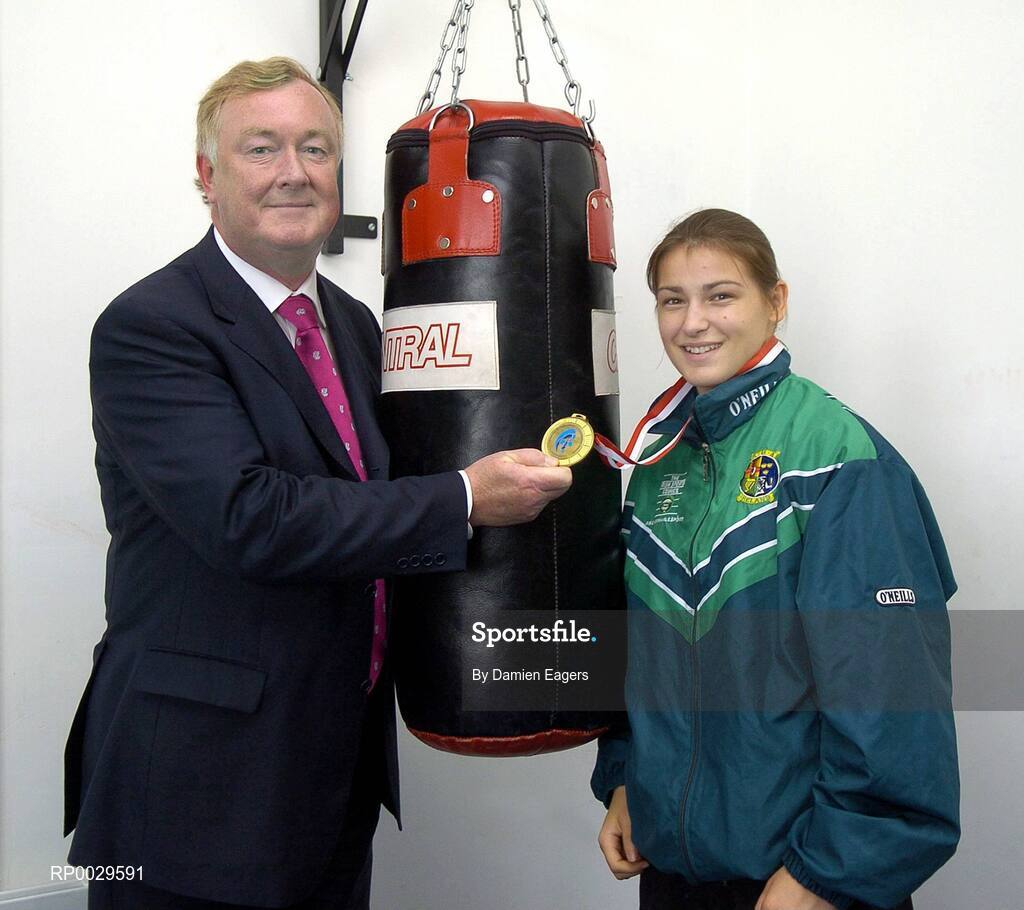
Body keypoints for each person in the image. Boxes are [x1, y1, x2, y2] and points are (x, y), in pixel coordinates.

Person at [63, 56, 571, 910]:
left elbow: (380, 503)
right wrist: (466, 495)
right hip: (198, 785)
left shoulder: (356, 325)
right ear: (207, 175)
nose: (293, 172)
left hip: (331, 774)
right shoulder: (153, 326)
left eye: (315, 148)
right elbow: (249, 518)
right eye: (261, 149)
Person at [592, 209, 959, 910]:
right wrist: (624, 778)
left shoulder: (838, 458)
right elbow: (636, 652)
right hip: (674, 874)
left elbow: (890, 698)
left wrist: (826, 873)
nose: (693, 322)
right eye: (673, 300)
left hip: (802, 883)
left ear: (776, 302)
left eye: (720, 295)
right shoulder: (658, 462)